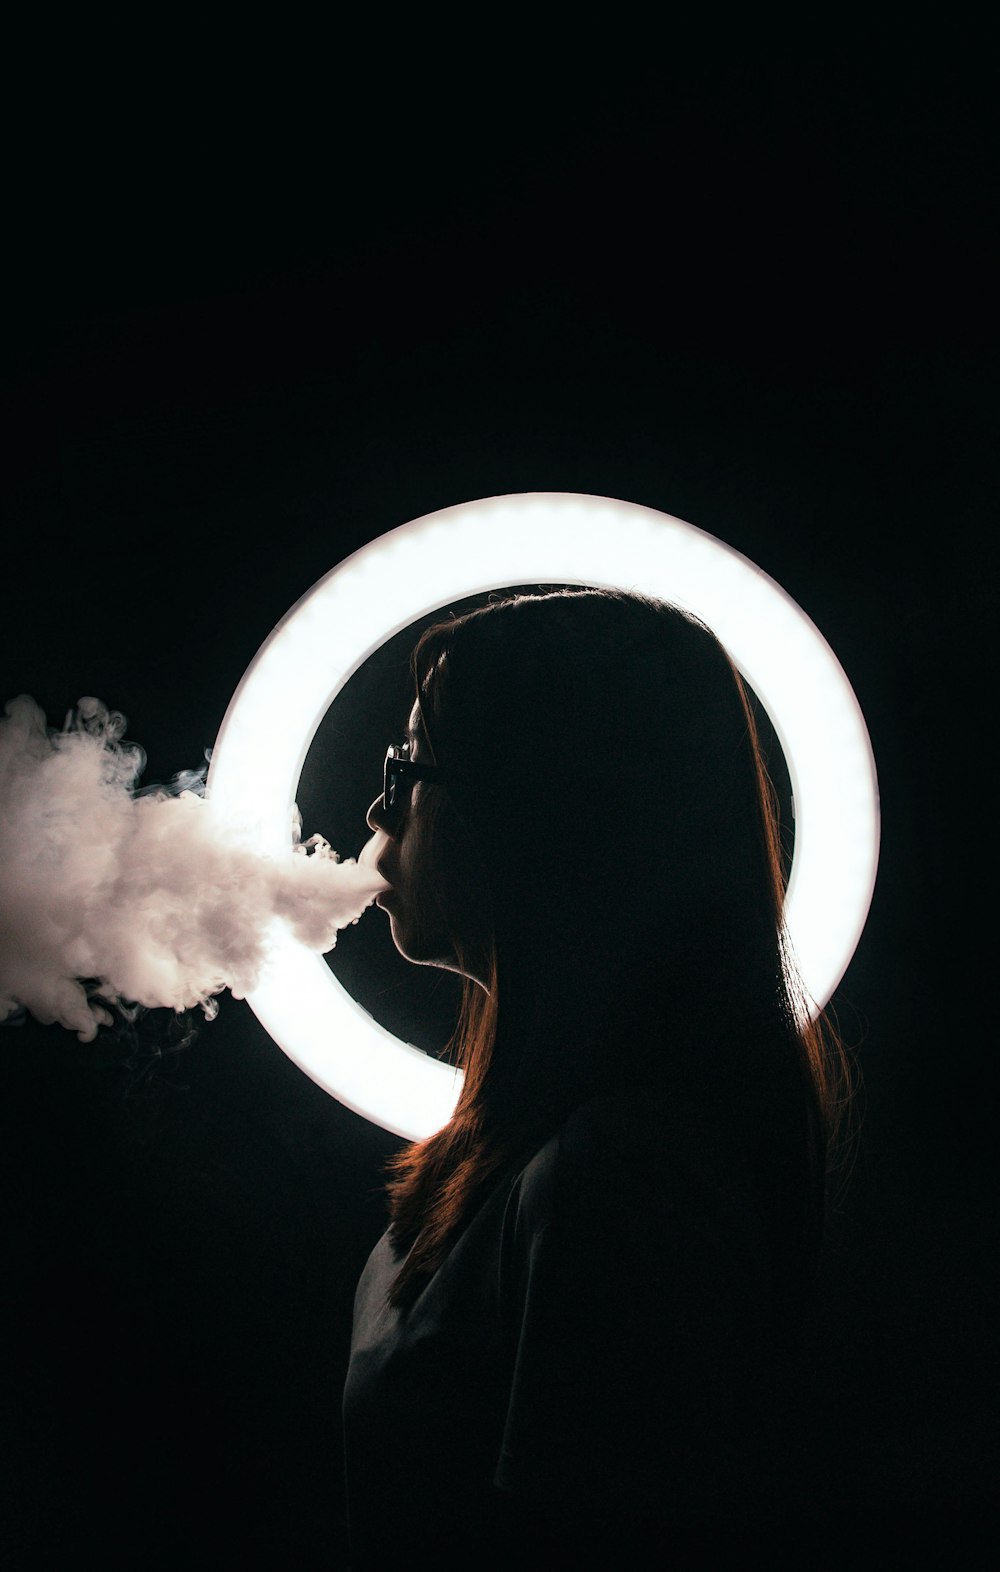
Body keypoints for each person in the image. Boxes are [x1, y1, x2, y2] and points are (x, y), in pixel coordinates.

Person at [342, 588, 851, 1568]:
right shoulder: (540, 1161)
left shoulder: (618, 1180)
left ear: (537, 804)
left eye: (408, 766)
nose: (377, 809)